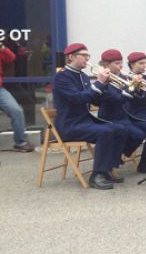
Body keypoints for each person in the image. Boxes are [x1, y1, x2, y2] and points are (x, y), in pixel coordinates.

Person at [52, 43, 127, 190]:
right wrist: (98, 83)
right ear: (71, 57)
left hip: (84, 121)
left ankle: (108, 168)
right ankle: (97, 175)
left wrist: (105, 86)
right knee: (105, 131)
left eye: (88, 55)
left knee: (120, 129)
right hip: (69, 124)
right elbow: (78, 98)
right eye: (84, 55)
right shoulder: (62, 77)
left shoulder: (84, 76)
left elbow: (95, 101)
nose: (87, 59)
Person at [95, 49, 146, 174]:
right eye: (117, 63)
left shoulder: (122, 77)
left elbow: (135, 96)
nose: (121, 66)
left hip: (125, 116)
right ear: (106, 65)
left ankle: (124, 156)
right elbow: (118, 99)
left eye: (121, 62)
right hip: (111, 117)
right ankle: (115, 156)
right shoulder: (103, 80)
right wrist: (132, 87)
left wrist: (138, 87)